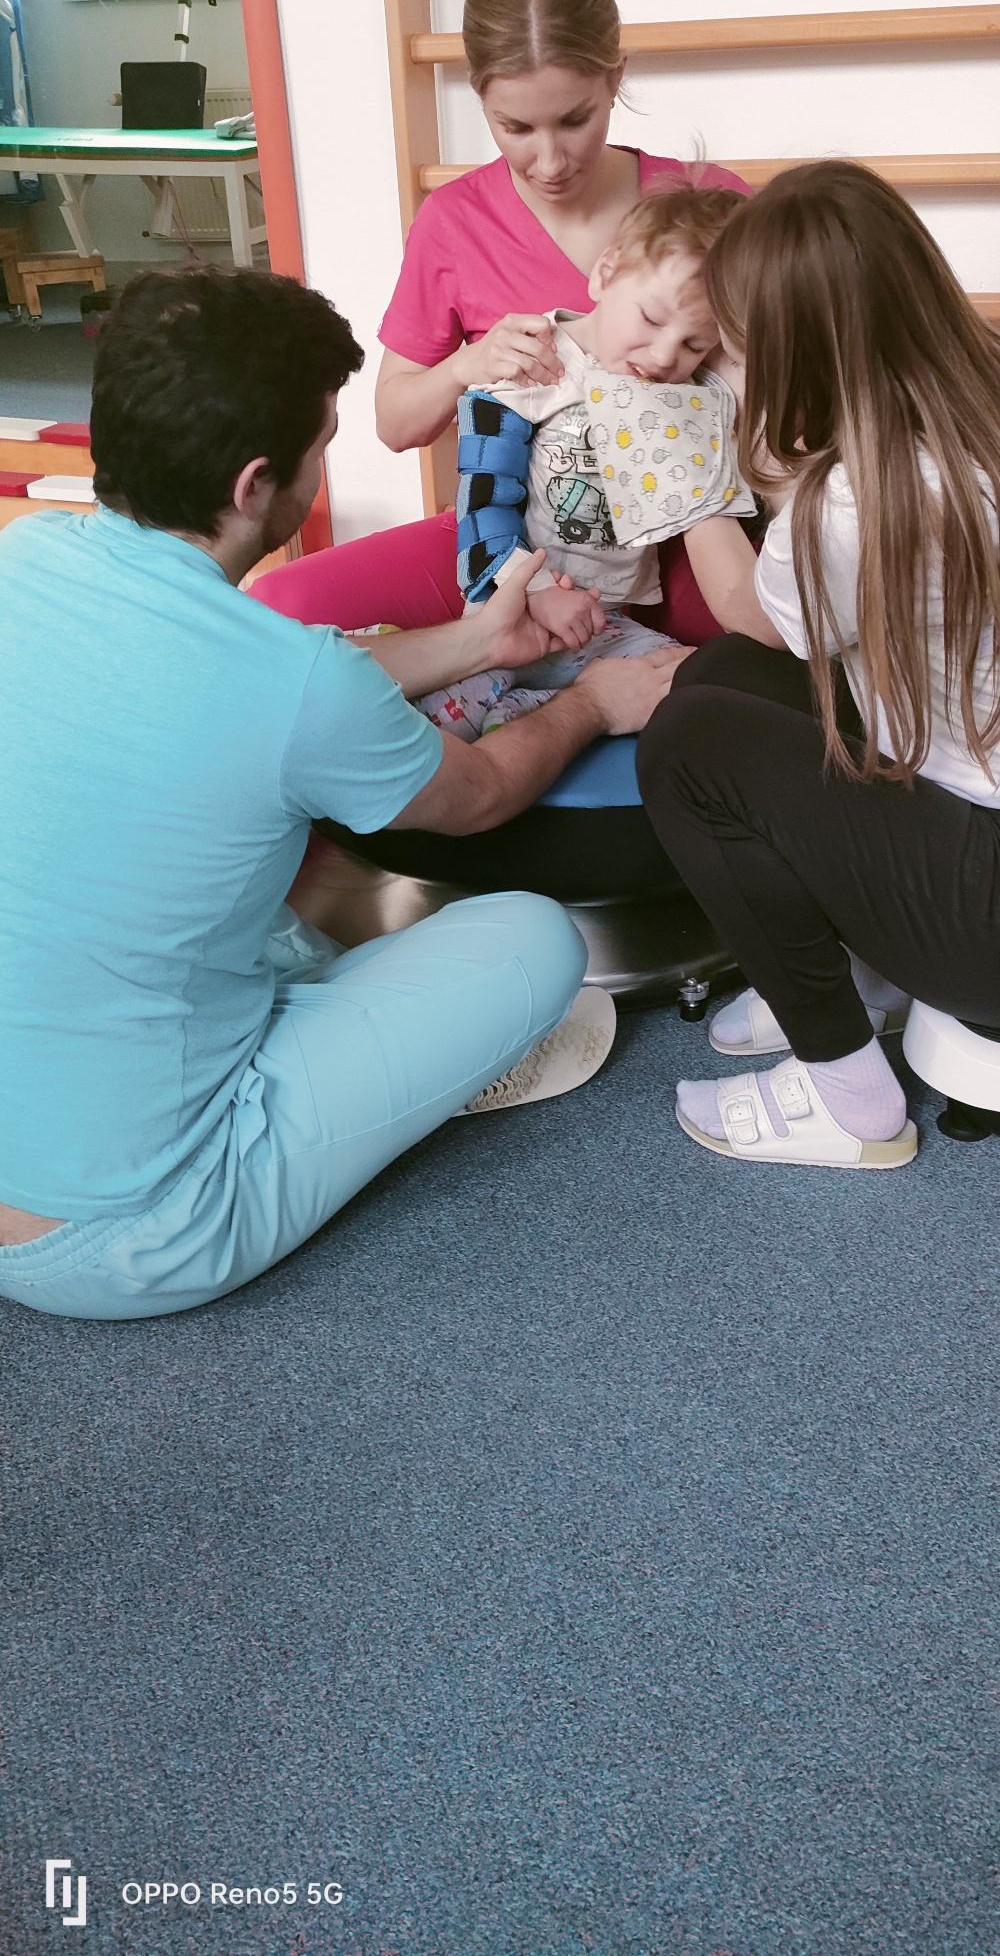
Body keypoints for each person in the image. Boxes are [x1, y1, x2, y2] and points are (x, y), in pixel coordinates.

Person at [0, 269, 685, 1319]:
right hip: (136, 1234)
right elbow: (479, 792)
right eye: (322, 444)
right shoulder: (295, 683)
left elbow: (267, 682)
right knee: (533, 944)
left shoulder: (27, 555)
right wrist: (596, 701)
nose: (324, 463)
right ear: (255, 486)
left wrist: (476, 642)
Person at [635, 159, 1000, 1169]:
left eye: (732, 349)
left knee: (686, 743)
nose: (724, 367)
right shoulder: (975, 405)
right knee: (717, 680)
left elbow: (755, 613)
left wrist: (687, 473)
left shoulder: (848, 502)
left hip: (985, 907)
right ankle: (866, 976)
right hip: (974, 829)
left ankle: (846, 1096)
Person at [375, 0, 748, 460]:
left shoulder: (713, 207)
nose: (550, 164)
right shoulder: (454, 223)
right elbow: (394, 424)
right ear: (479, 95)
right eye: (516, 128)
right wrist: (468, 365)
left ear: (615, 78)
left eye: (575, 121)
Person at [412, 182, 754, 742]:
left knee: (705, 682)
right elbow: (482, 506)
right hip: (511, 614)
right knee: (440, 716)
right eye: (651, 318)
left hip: (607, 625)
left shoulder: (685, 391)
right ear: (605, 273)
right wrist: (537, 590)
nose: (664, 356)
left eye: (695, 345)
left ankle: (542, 708)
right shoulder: (533, 362)